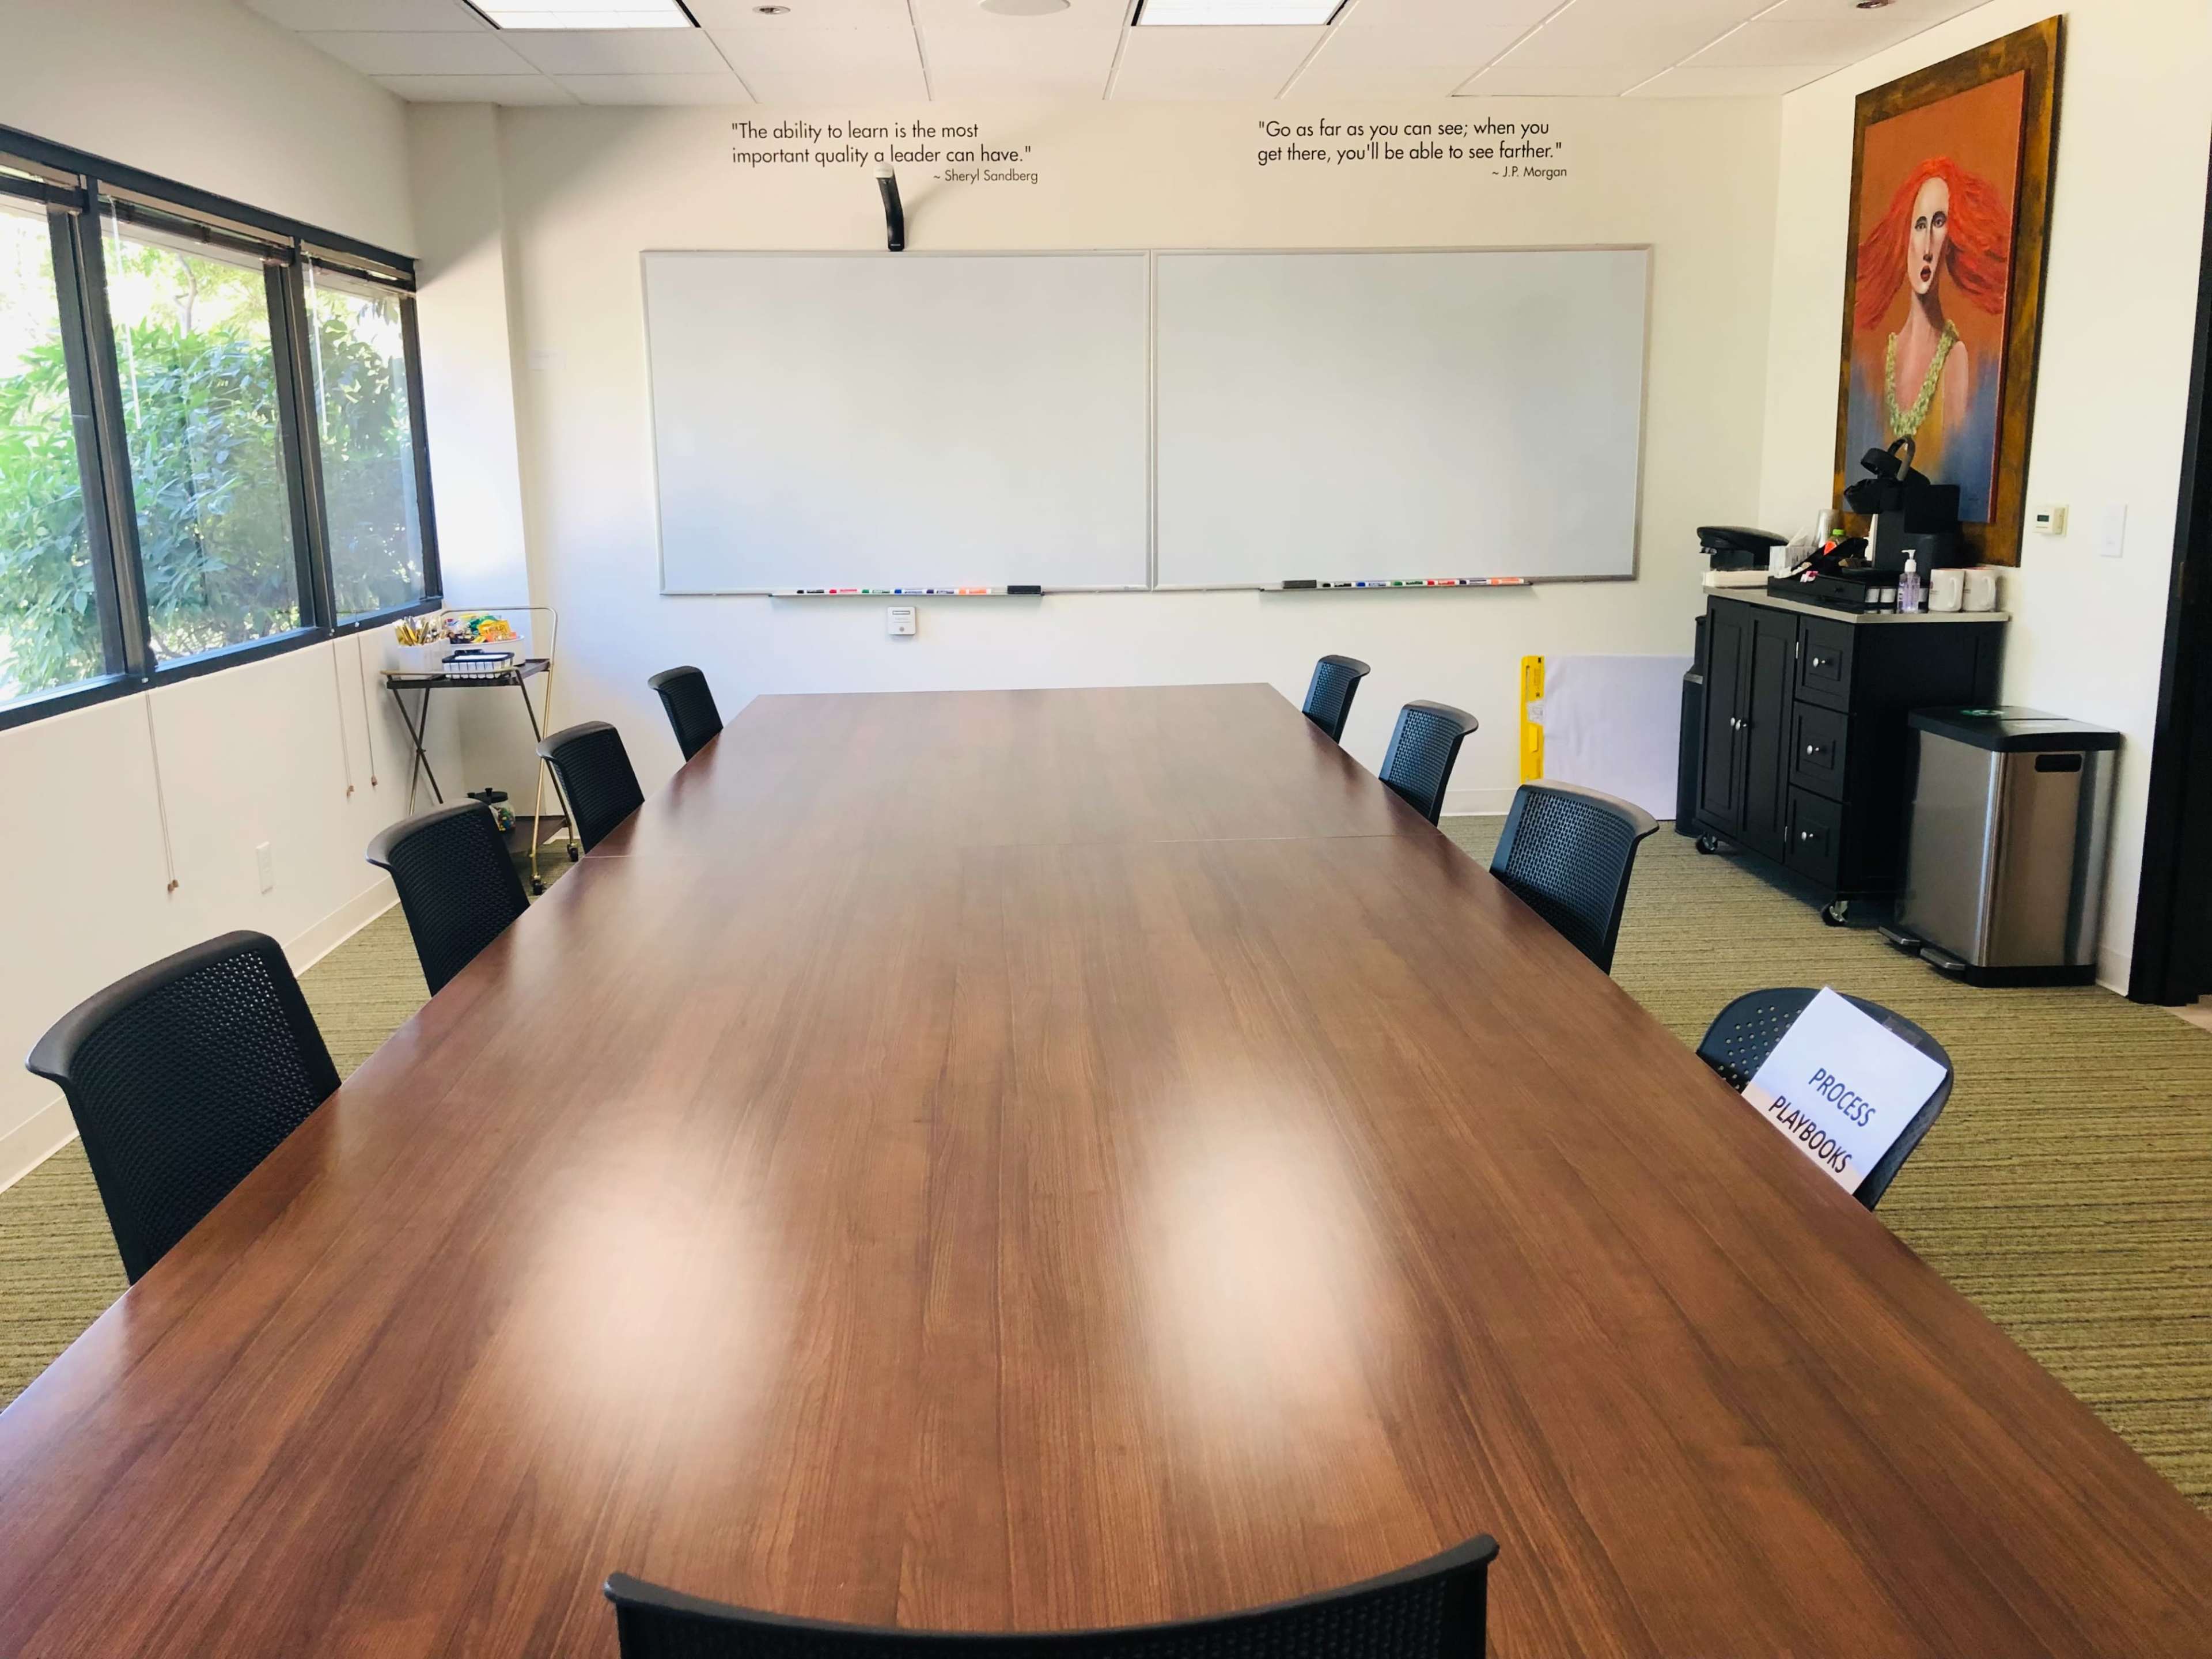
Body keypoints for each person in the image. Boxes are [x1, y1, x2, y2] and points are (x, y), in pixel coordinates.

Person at [1849, 156, 2010, 521]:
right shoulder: (1877, 359)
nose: (1928, 244)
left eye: (1939, 223)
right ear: (1903, 236)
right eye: (1919, 224)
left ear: (1952, 239)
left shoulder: (1956, 359)